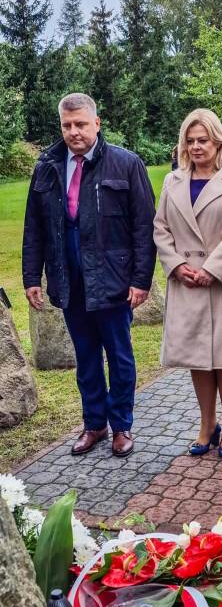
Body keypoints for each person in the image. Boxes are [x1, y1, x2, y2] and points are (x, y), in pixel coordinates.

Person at [22, 93, 156, 457]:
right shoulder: (47, 165)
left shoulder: (126, 164)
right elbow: (34, 226)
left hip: (113, 279)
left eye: (81, 124)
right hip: (69, 280)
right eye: (67, 125)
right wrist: (32, 277)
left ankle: (121, 425)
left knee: (120, 356)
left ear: (97, 123)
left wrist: (141, 280)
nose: (74, 132)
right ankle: (94, 424)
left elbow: (144, 227)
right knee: (86, 356)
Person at [154, 108, 222, 459]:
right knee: (198, 357)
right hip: (186, 282)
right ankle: (206, 423)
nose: (196, 146)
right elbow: (160, 228)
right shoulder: (173, 181)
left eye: (203, 140)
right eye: (190, 140)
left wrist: (212, 268)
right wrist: (176, 264)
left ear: (218, 142)